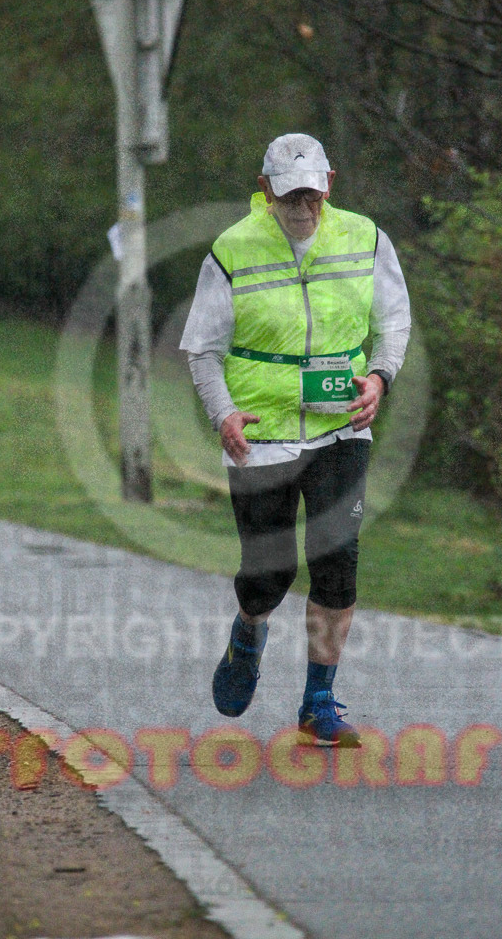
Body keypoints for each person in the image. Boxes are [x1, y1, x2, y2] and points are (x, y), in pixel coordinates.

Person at [180, 133, 410, 747]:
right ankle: (248, 633)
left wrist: (380, 378)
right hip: (262, 437)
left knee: (338, 565)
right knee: (270, 574)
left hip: (340, 428)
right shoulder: (232, 249)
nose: (303, 207)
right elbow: (202, 348)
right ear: (265, 190)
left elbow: (394, 319)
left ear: (329, 185)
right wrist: (224, 414)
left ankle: (319, 701)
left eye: (312, 194)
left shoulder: (366, 239)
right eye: (289, 196)